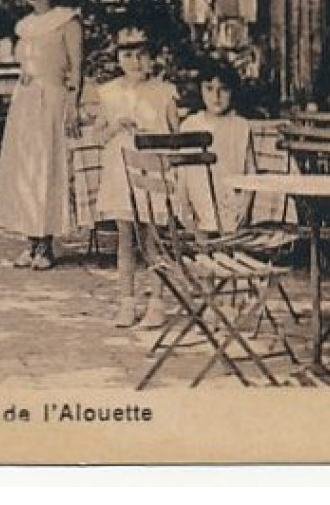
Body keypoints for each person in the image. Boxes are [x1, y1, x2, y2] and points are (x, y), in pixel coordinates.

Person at [0, 0, 83, 271]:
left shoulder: (66, 21)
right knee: (25, 170)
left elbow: (76, 71)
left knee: (46, 169)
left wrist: (73, 106)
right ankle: (30, 239)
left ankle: (46, 244)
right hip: (25, 103)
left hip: (52, 100)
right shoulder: (24, 26)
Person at [93, 25, 181, 328]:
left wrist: (153, 135)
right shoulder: (108, 93)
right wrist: (117, 127)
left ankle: (156, 303)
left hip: (152, 167)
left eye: (142, 55)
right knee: (126, 238)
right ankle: (127, 302)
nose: (135, 62)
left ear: (152, 59)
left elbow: (176, 135)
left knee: (154, 238)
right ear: (118, 59)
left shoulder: (164, 92)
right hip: (121, 170)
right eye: (128, 55)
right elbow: (100, 136)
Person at [178, 59, 254, 233]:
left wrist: (246, 205)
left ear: (233, 91)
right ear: (200, 90)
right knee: (203, 245)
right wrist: (184, 206)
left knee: (229, 240)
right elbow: (181, 173)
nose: (216, 96)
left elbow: (251, 171)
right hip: (200, 200)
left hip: (231, 203)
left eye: (223, 89)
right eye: (209, 89)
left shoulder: (241, 125)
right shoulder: (190, 125)